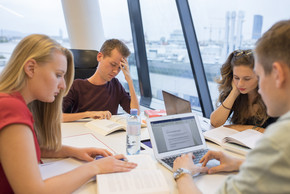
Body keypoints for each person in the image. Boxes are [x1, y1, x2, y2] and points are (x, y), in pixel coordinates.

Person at [0, 34, 137, 193]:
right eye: (58, 75)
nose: (64, 85)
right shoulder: (11, 108)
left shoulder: (15, 103)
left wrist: (73, 151)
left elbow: (29, 150)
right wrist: (95, 167)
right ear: (30, 68)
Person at [173, 19, 290, 194]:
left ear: (278, 74)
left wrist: (182, 172)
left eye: (258, 75)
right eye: (237, 78)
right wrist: (238, 163)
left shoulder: (281, 138)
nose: (261, 89)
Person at [62, 39, 140, 122]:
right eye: (113, 64)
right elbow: (56, 117)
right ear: (99, 57)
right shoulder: (77, 85)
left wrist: (129, 81)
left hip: (108, 133)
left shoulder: (115, 85)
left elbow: (135, 113)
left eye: (119, 68)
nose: (115, 71)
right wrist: (88, 114)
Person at [210, 49, 277, 131]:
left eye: (247, 79)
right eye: (236, 78)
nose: (240, 84)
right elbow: (215, 122)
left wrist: (248, 128)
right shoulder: (236, 92)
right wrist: (234, 93)